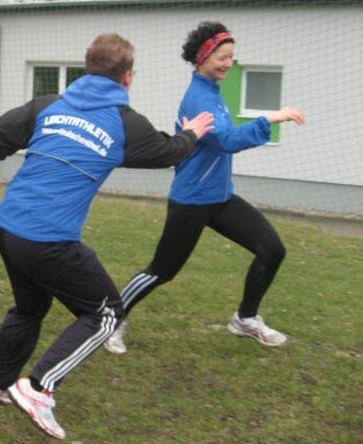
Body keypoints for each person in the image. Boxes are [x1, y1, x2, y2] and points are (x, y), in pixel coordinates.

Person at [0, 33, 214, 440]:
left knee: (29, 308)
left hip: (7, 226)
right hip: (46, 239)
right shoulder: (126, 124)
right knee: (107, 313)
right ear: (127, 77)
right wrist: (193, 132)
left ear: (87, 68)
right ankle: (38, 388)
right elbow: (168, 152)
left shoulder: (48, 105)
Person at [104, 21, 305, 355]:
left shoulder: (212, 91)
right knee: (162, 271)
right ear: (203, 58)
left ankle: (245, 319)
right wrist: (271, 118)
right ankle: (111, 319)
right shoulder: (199, 97)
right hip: (193, 200)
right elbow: (226, 140)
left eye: (231, 57)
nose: (228, 63)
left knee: (272, 250)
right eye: (222, 57)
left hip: (220, 198)